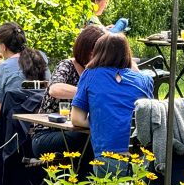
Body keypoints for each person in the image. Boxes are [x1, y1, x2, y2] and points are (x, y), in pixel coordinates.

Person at [0, 22, 50, 178]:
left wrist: (2, 65)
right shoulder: (41, 57)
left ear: (3, 46)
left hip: (14, 132)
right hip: (43, 125)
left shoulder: (2, 68)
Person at [71, 33, 154, 176]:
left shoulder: (90, 74)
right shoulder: (145, 80)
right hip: (144, 161)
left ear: (97, 53)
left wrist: (103, 119)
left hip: (109, 160)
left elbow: (77, 119)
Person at [30, 24, 107, 162]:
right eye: (96, 52)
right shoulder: (67, 66)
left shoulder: (98, 72)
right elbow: (55, 89)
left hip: (79, 130)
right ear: (86, 49)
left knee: (101, 135)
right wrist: (85, 93)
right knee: (88, 138)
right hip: (48, 134)